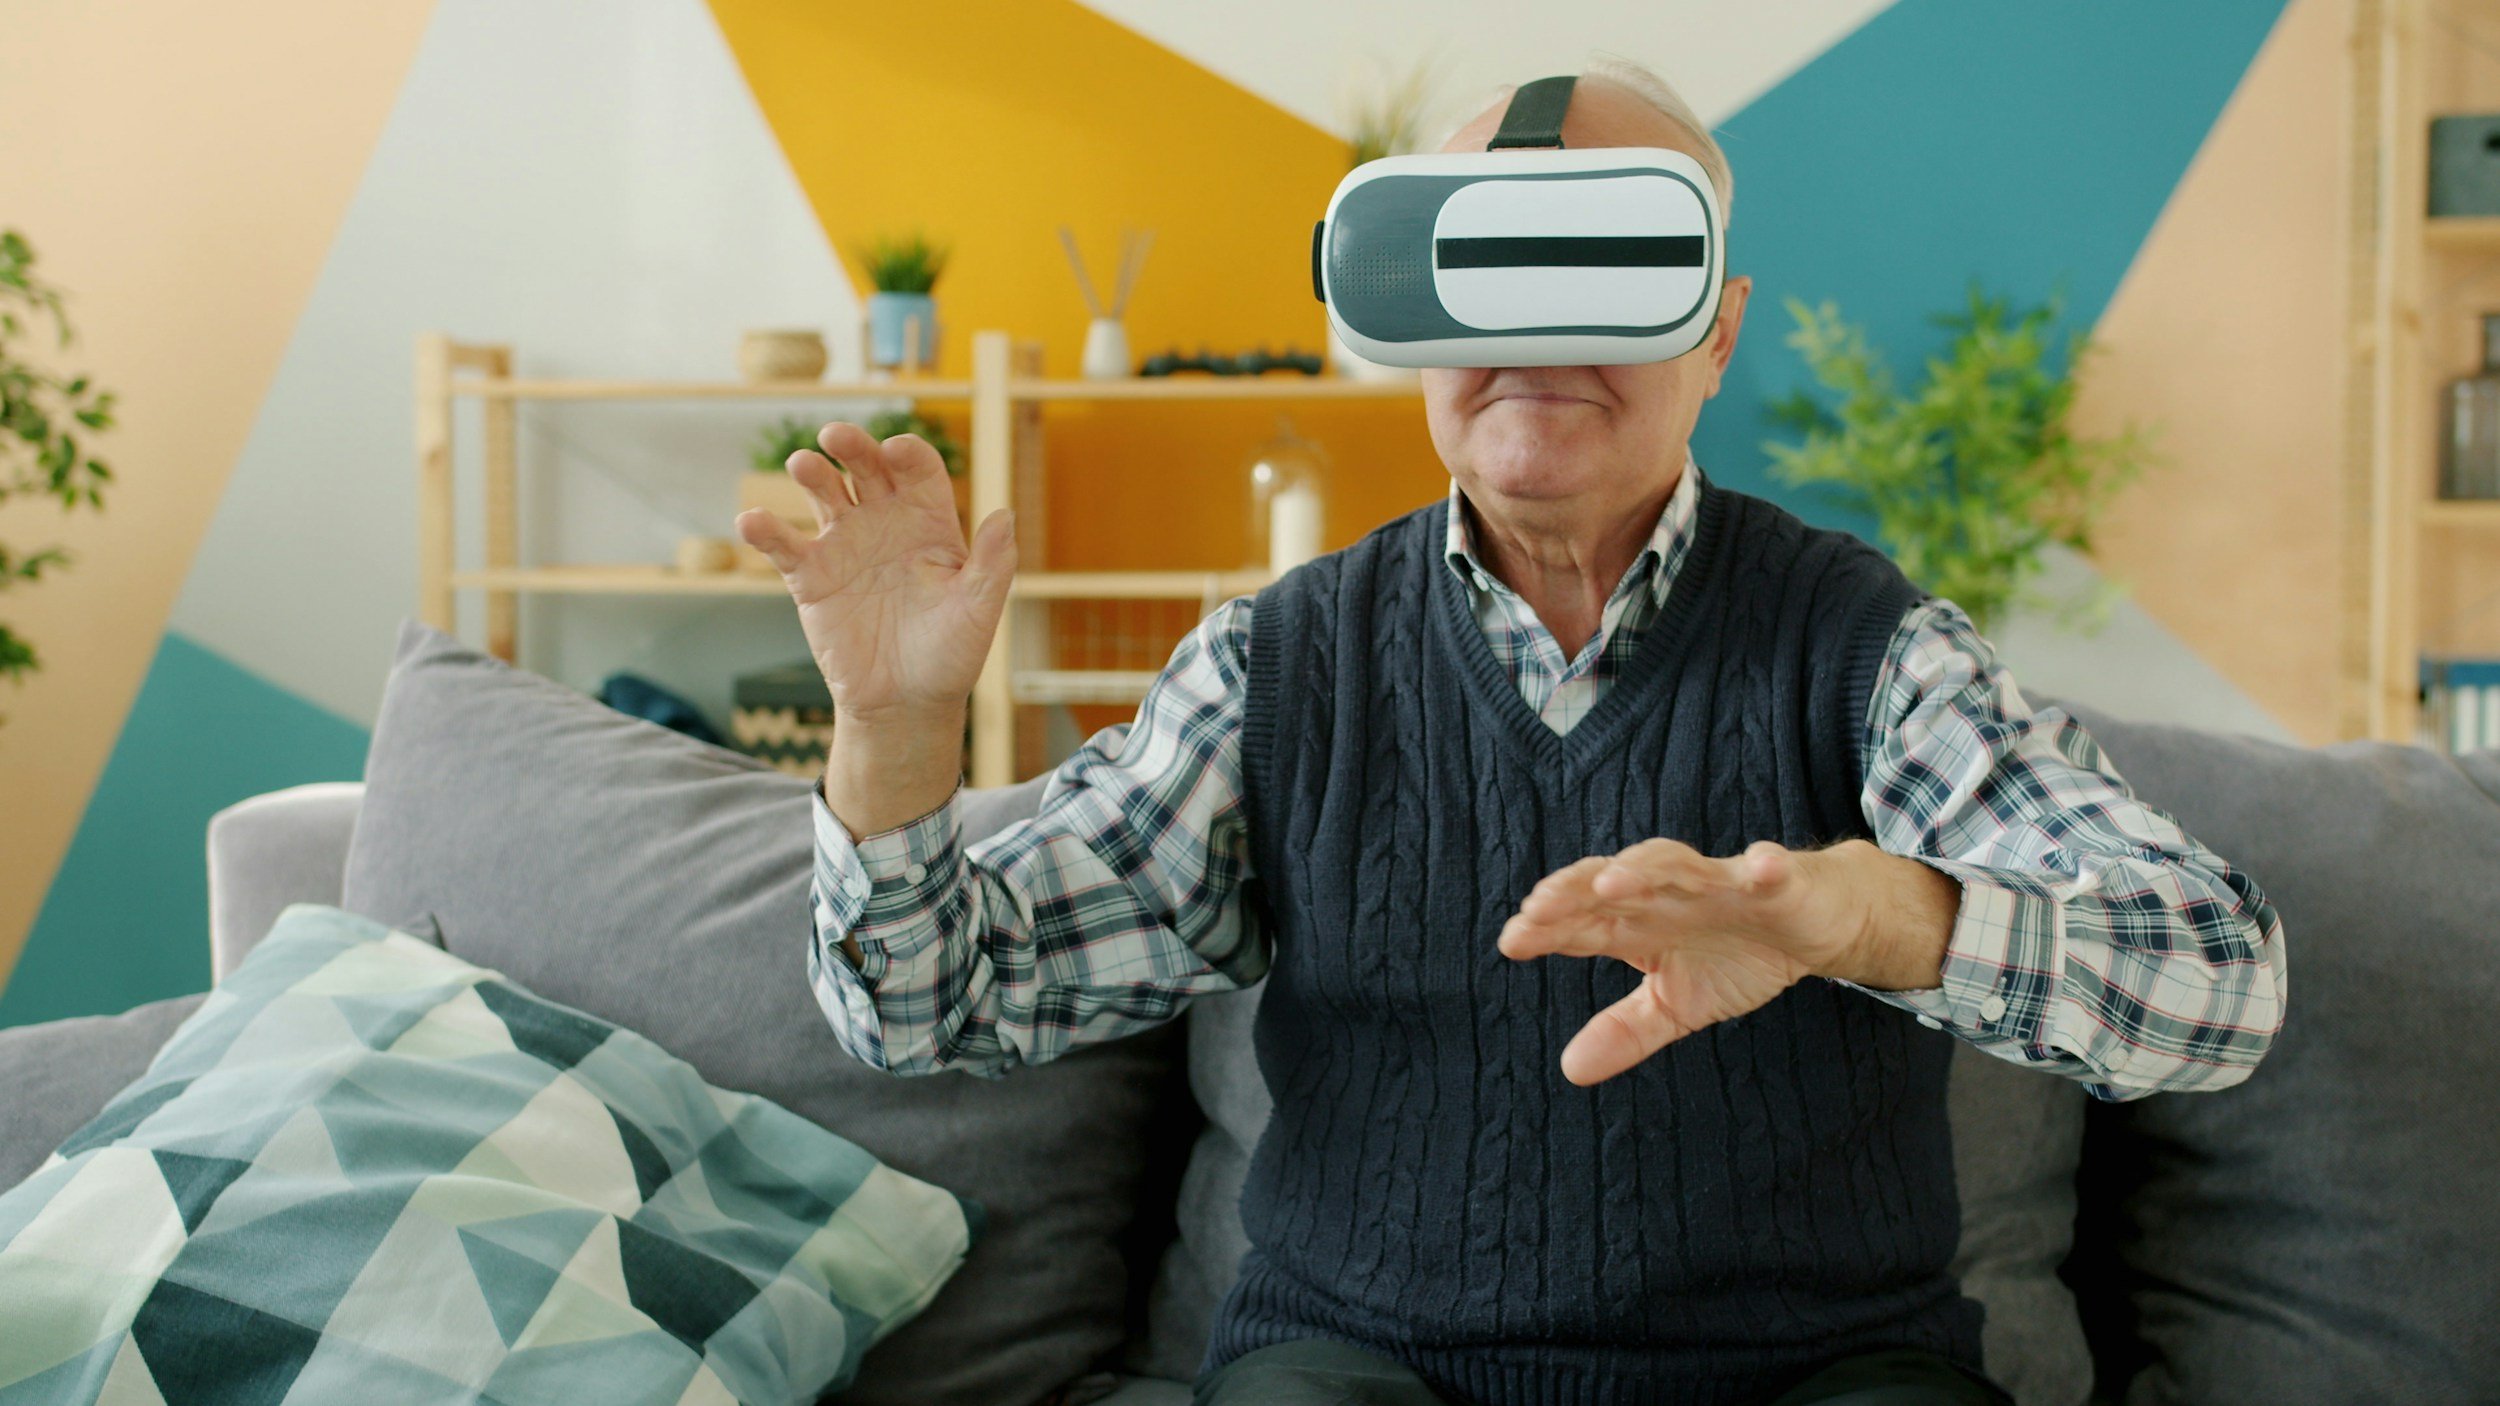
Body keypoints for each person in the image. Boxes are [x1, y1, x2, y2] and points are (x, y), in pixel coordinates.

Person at [735, 59, 2287, 1406]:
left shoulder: (1869, 650)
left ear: (1718, 329)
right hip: (1358, 1361)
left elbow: (2217, 982)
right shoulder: (1276, 663)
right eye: (1486, 266)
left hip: (1819, 1366)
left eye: (1606, 260)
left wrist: (1879, 915)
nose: (1538, 327)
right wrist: (894, 726)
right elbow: (928, 1006)